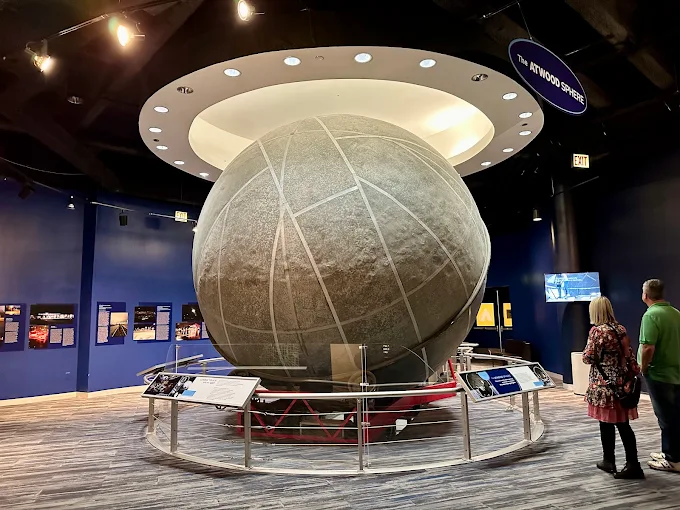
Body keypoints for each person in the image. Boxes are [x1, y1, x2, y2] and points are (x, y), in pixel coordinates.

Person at [583, 296, 644, 479]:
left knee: (608, 423)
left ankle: (615, 461)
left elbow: (587, 357)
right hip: (620, 384)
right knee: (621, 423)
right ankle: (627, 462)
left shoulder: (597, 332)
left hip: (604, 385)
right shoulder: (620, 329)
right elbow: (629, 355)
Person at [639, 279, 680, 473]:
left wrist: (644, 368)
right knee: (675, 416)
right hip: (676, 373)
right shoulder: (676, 313)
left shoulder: (651, 315)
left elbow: (648, 347)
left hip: (659, 375)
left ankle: (672, 459)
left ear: (645, 295)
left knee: (666, 418)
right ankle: (673, 453)